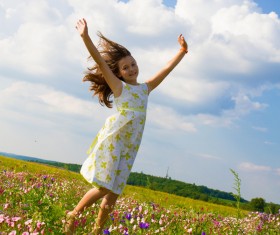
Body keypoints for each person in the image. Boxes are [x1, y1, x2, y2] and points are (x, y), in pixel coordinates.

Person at [64, 18, 188, 235]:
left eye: (133, 64)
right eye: (125, 67)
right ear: (119, 73)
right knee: (104, 187)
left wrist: (182, 52)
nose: (131, 69)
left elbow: (166, 70)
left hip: (130, 147)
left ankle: (97, 230)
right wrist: (85, 37)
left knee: (114, 193)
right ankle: (74, 214)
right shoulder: (119, 87)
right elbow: (101, 63)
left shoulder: (145, 89)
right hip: (114, 143)